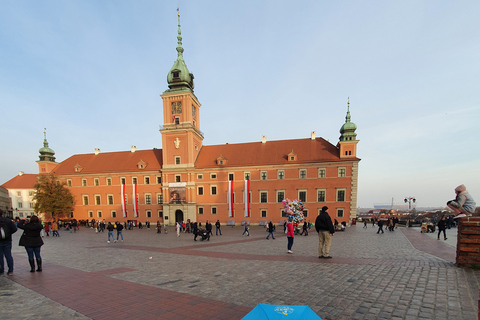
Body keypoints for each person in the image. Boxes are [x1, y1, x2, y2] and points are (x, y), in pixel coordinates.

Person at [0, 209, 18, 276]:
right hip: (7, 240)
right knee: (8, 256)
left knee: (0, 257)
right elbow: (14, 229)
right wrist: (8, 234)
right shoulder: (7, 220)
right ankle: (10, 271)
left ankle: (1, 271)